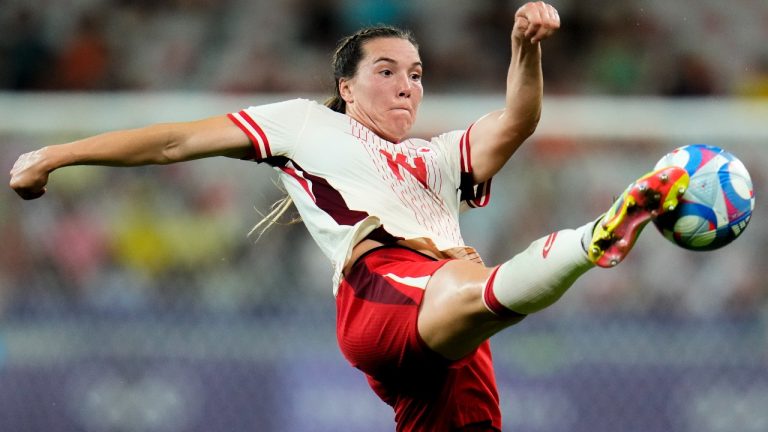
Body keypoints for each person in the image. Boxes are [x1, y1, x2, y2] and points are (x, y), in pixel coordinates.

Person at [9, 2, 690, 430]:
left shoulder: (437, 158)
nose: (406, 85)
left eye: (416, 74)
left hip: (447, 345)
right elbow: (175, 141)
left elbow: (517, 121)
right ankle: (597, 237)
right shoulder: (306, 125)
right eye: (387, 71)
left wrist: (525, 48)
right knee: (465, 281)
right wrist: (57, 155)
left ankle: (559, 256)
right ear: (346, 85)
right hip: (382, 293)